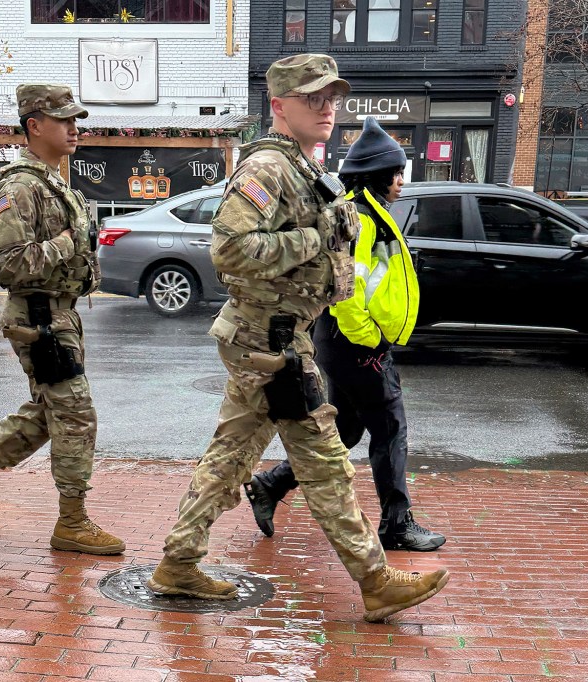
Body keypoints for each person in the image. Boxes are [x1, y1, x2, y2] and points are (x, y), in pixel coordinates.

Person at [147, 55, 449, 622]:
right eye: (314, 97)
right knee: (325, 459)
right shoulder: (268, 168)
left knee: (232, 455)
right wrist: (315, 236)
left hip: (278, 338)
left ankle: (179, 562)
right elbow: (230, 250)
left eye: (331, 96)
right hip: (271, 344)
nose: (327, 107)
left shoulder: (301, 168)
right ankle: (375, 580)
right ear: (279, 105)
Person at [0, 84, 124, 555]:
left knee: (49, 413)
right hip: (38, 319)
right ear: (34, 126)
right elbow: (7, 264)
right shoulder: (20, 185)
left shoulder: (51, 180)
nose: (74, 129)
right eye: (64, 121)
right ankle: (72, 523)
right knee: (78, 417)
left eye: (75, 120)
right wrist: (66, 243)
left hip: (59, 317)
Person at [243, 117, 446, 553]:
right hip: (357, 344)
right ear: (379, 176)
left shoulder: (369, 213)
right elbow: (346, 291)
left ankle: (269, 485)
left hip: (347, 342)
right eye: (397, 175)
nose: (401, 184)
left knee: (349, 431)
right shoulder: (363, 220)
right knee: (391, 429)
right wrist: (370, 340)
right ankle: (397, 523)